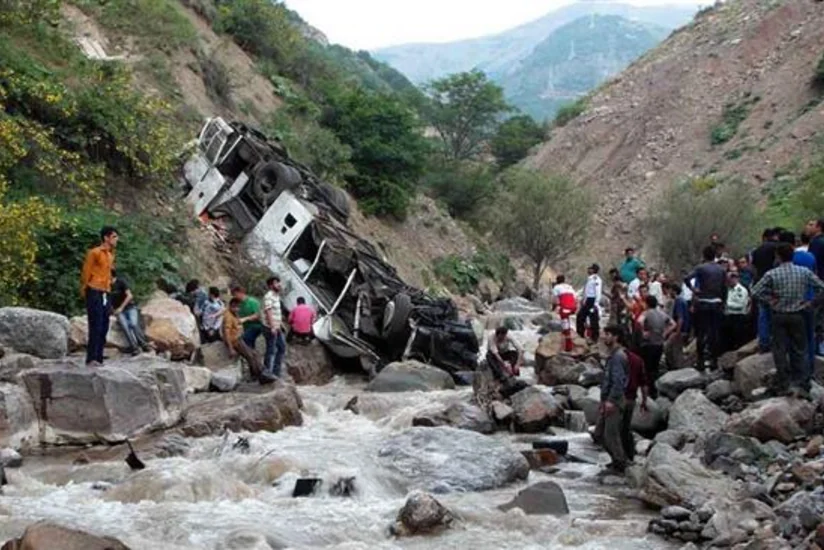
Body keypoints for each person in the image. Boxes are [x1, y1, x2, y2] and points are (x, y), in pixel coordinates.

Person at [751, 243, 824, 398]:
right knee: (800, 349)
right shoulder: (803, 272)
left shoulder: (772, 274)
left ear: (778, 256)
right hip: (798, 314)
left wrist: (769, 301)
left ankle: (783, 383)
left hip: (778, 315)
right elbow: (821, 287)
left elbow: (755, 291)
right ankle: (802, 383)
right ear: (792, 255)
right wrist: (811, 303)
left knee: (779, 349)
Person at [685, 246, 728, 371]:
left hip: (703, 302)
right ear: (715, 255)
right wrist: (723, 302)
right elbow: (724, 287)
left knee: (701, 333)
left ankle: (700, 361)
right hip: (716, 302)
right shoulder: (721, 270)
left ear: (704, 256)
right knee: (714, 333)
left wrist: (694, 290)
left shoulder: (700, 268)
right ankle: (714, 360)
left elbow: (687, 278)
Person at [80, 226, 118, 366]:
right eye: (114, 237)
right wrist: (85, 289)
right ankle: (92, 358)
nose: (116, 240)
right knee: (95, 324)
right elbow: (86, 272)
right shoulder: (94, 253)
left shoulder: (110, 255)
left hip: (105, 291)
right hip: (94, 289)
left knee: (104, 324)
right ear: (106, 238)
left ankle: (99, 356)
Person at [596, 325, 629, 474]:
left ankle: (620, 463)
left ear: (616, 337)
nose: (604, 337)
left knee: (611, 434)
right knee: (600, 433)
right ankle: (616, 460)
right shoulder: (613, 355)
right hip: (608, 400)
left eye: (607, 334)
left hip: (614, 402)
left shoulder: (618, 356)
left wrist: (610, 401)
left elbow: (618, 381)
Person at [789, 231, 818, 373]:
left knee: (795, 338)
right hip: (810, 300)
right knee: (810, 334)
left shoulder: (791, 258)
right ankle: (811, 368)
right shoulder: (811, 257)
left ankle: (798, 371)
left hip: (793, 302)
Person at [636, 295, 676, 397]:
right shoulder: (662, 314)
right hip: (659, 343)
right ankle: (655, 389)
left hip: (648, 344)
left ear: (647, 304)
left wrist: (644, 332)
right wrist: (665, 333)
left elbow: (639, 321)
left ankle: (649, 390)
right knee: (655, 367)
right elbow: (673, 324)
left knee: (647, 368)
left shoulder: (646, 313)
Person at [620, 330, 648, 463]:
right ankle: (629, 456)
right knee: (625, 428)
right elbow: (644, 383)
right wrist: (644, 401)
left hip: (618, 399)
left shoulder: (616, 358)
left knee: (613, 430)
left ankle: (620, 459)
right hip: (631, 398)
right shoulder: (638, 360)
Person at [110, 270, 150, 355]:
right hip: (118, 310)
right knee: (125, 326)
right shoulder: (106, 286)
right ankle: (134, 347)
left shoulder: (121, 282)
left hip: (130, 307)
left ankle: (143, 343)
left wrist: (121, 307)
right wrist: (112, 310)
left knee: (133, 324)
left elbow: (129, 296)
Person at [222, 298, 264, 381]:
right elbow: (226, 333)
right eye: (235, 307)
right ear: (230, 306)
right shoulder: (228, 317)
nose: (237, 309)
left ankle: (257, 374)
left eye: (238, 307)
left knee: (254, 354)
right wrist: (231, 348)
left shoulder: (233, 314)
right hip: (235, 341)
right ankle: (258, 375)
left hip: (238, 338)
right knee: (250, 356)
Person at [751, 228, 779, 352]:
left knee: (762, 314)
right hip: (774, 283)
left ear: (764, 237)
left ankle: (763, 342)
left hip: (761, 283)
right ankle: (775, 341)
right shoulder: (777, 248)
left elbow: (755, 267)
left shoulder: (756, 251)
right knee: (775, 313)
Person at [261, 276, 286, 382]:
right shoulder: (268, 296)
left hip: (277, 327)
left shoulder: (276, 296)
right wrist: (272, 327)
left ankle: (276, 372)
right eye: (276, 283)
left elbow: (277, 313)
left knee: (281, 348)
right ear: (271, 285)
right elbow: (268, 312)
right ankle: (267, 373)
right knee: (271, 350)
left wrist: (280, 325)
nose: (279, 284)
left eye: (278, 282)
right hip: (270, 327)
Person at [722, 272, 751, 353]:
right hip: (728, 316)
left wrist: (726, 304)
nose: (729, 281)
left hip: (738, 316)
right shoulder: (728, 290)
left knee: (738, 337)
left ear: (736, 279)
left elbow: (741, 305)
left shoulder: (741, 290)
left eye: (731, 279)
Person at [666, 283, 691, 371]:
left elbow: (680, 318)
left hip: (681, 330)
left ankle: (677, 368)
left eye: (670, 290)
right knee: (675, 349)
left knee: (672, 349)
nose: (668, 292)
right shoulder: (681, 300)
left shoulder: (679, 301)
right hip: (684, 329)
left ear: (673, 291)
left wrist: (677, 332)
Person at [231, 285, 263, 351]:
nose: (235, 296)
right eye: (233, 295)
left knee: (245, 339)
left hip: (256, 325)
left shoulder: (252, 302)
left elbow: (258, 315)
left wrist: (245, 318)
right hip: (246, 328)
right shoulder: (238, 304)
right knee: (249, 343)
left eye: (235, 294)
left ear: (241, 292)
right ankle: (253, 355)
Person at [577, 264, 602, 344]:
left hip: (592, 300)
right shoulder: (589, 279)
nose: (588, 270)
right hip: (587, 300)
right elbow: (586, 291)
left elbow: (597, 291)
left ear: (594, 270)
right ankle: (581, 335)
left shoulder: (596, 279)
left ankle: (594, 337)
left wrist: (596, 303)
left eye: (590, 268)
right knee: (580, 317)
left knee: (593, 319)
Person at [552, 275, 578, 351]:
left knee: (565, 325)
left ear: (557, 281)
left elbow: (555, 300)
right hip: (573, 307)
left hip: (565, 307)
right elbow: (575, 298)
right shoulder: (569, 287)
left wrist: (554, 308)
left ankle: (568, 346)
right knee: (567, 322)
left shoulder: (556, 287)